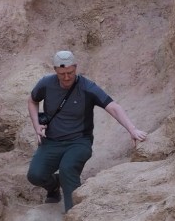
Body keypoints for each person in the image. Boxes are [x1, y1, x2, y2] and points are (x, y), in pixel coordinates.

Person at [27, 49, 147, 211]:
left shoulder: (87, 87)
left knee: (68, 170)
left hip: (79, 142)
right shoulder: (46, 84)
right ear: (55, 70)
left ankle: (73, 214)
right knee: (35, 175)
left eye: (70, 73)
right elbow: (32, 100)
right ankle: (54, 185)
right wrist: (36, 125)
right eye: (62, 74)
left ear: (76, 67)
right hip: (52, 141)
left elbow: (113, 107)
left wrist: (132, 129)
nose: (67, 77)